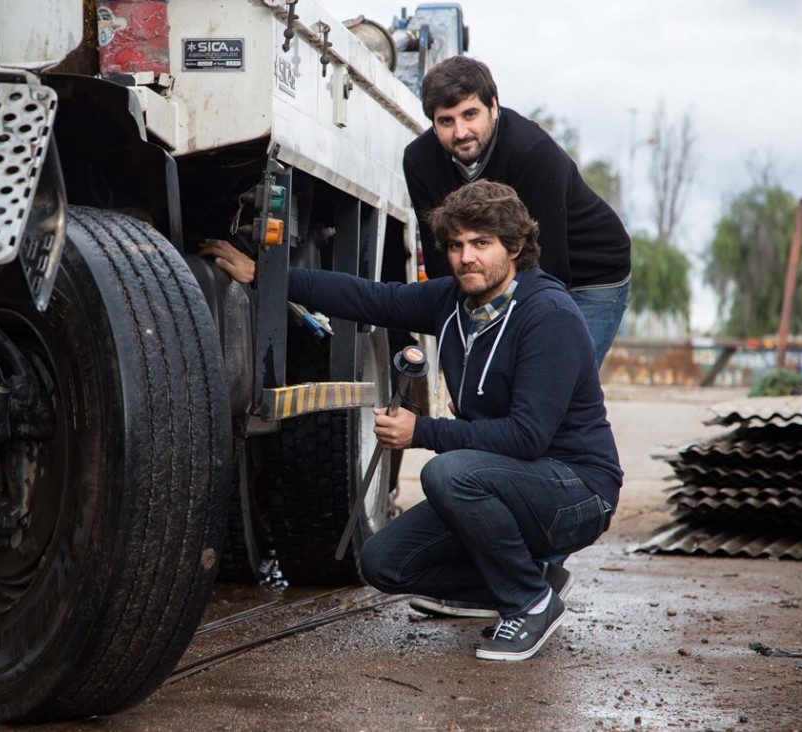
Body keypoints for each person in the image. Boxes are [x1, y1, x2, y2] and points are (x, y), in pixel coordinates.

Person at [201, 180, 622, 661]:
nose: (467, 258)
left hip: (576, 489)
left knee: (447, 472)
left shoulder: (548, 314)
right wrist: (266, 275)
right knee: (385, 563)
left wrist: (421, 432)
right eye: (457, 245)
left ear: (516, 246)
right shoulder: (452, 302)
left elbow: (526, 438)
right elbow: (369, 298)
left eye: (482, 244)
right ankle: (532, 578)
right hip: (510, 483)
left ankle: (529, 602)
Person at [405, 55, 631, 368]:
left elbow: (548, 269)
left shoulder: (532, 152)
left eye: (470, 114)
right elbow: (443, 263)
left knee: (557, 378)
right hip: (517, 270)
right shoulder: (419, 161)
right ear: (433, 121)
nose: (460, 131)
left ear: (493, 106)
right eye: (447, 121)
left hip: (588, 272)